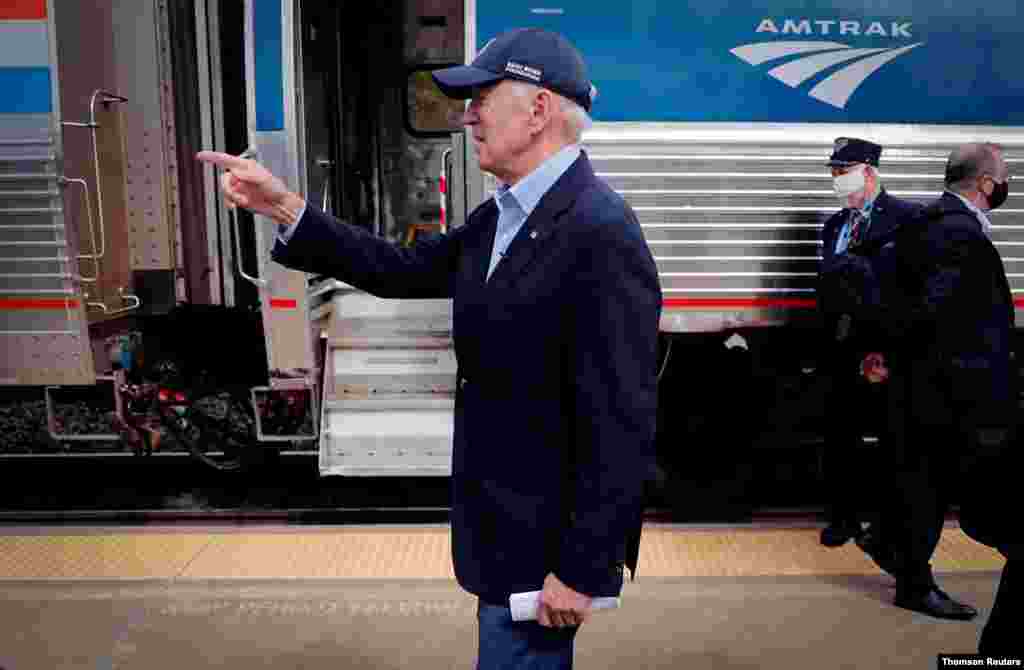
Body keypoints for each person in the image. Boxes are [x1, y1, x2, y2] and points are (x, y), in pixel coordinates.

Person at [198, 27, 662, 669]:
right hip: (502, 532)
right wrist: (286, 208)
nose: (467, 114)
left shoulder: (600, 230)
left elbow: (621, 420)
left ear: (538, 110)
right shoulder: (505, 215)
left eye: (482, 96)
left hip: (543, 549)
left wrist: (583, 568)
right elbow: (403, 269)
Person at [880, 143, 1015, 622]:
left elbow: (895, 299)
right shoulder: (960, 234)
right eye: (1004, 176)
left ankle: (900, 557)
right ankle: (914, 580)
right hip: (950, 390)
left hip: (923, 384)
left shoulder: (923, 220)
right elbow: (938, 314)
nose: (1006, 183)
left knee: (921, 482)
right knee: (932, 487)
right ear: (984, 183)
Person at [815, 138, 922, 550]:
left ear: (869, 172)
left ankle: (884, 521)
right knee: (840, 435)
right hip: (840, 343)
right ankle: (843, 518)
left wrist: (889, 349)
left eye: (845, 171)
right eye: (835, 173)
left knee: (889, 437)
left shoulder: (904, 220)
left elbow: (907, 288)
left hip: (881, 347)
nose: (838, 180)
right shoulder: (835, 225)